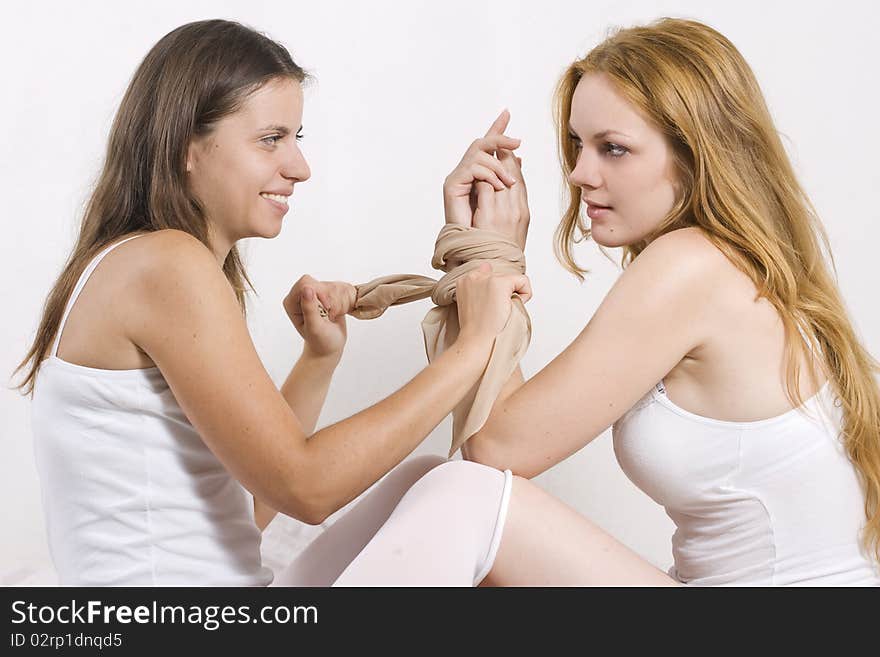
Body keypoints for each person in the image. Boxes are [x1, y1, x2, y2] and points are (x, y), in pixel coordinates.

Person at [14, 19, 531, 586]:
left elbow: (246, 508)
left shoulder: (137, 262)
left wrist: (318, 357)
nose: (299, 168)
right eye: (270, 139)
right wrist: (474, 345)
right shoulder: (165, 265)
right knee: (463, 496)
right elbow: (306, 489)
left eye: (296, 138)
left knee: (435, 483)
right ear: (186, 147)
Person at [446, 17, 880, 586]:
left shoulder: (692, 265)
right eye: (579, 144)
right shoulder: (745, 265)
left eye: (615, 149)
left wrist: (484, 256)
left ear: (697, 154)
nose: (579, 173)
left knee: (458, 497)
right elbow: (499, 441)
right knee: (445, 499)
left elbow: (496, 449)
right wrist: (484, 263)